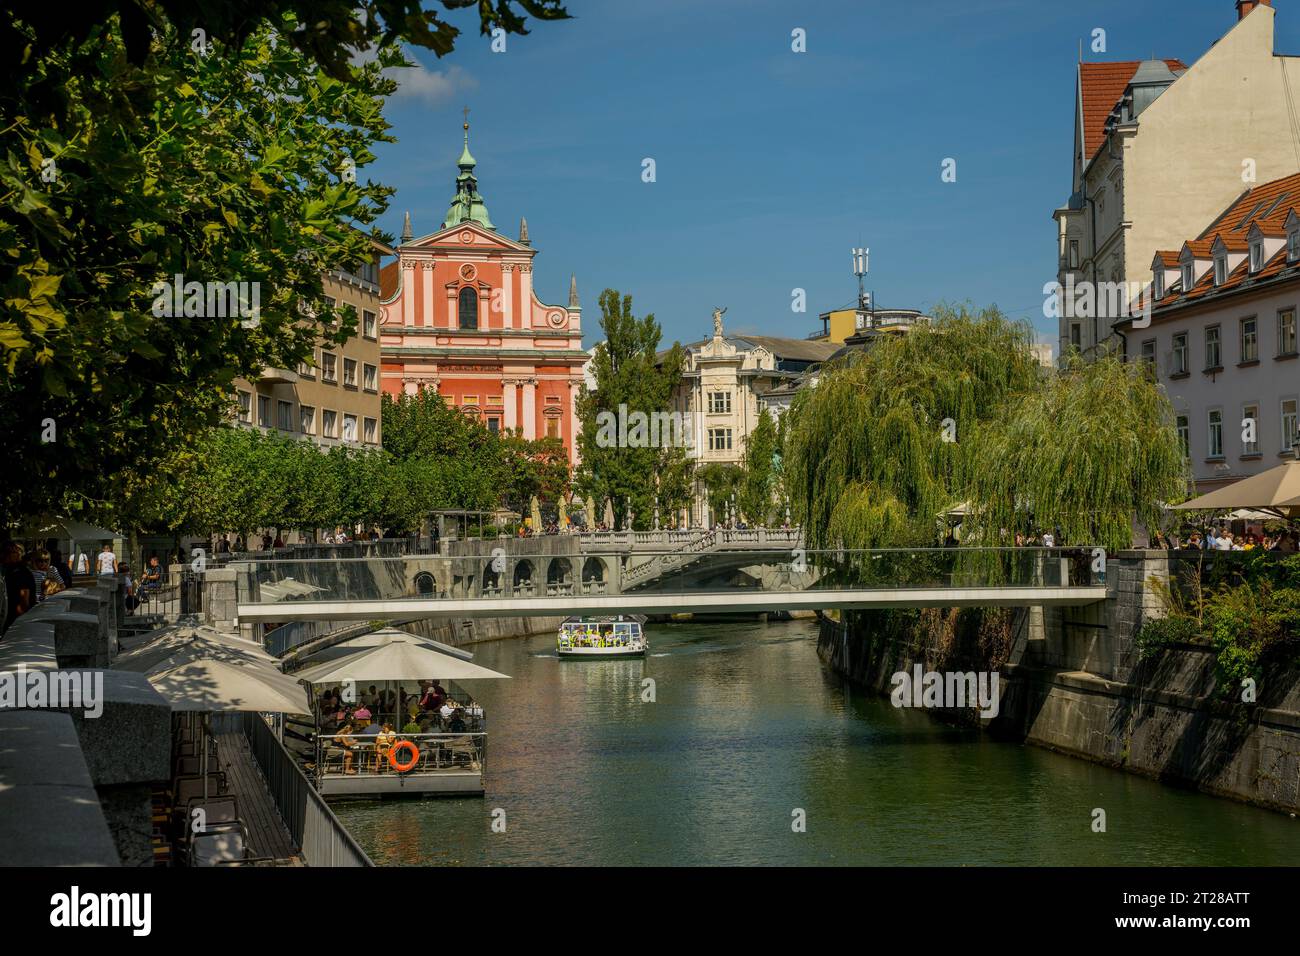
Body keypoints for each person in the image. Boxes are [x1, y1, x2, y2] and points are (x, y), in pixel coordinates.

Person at [2, 541, 35, 632]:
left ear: (19, 554)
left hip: (15, 621)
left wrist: (19, 624)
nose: (6, 556)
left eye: (10, 552)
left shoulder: (21, 572)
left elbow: (24, 602)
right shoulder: (9, 570)